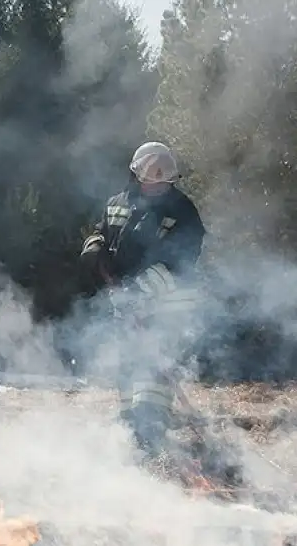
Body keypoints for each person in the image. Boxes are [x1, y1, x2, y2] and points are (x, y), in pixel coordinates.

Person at [79, 141, 207, 460]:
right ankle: (131, 428)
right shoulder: (117, 203)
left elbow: (177, 263)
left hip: (167, 304)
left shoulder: (184, 213)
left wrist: (137, 294)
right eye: (150, 180)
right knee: (126, 362)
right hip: (124, 299)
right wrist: (94, 247)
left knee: (153, 367)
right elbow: (101, 231)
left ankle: (151, 430)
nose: (156, 186)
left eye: (163, 182)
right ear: (136, 175)